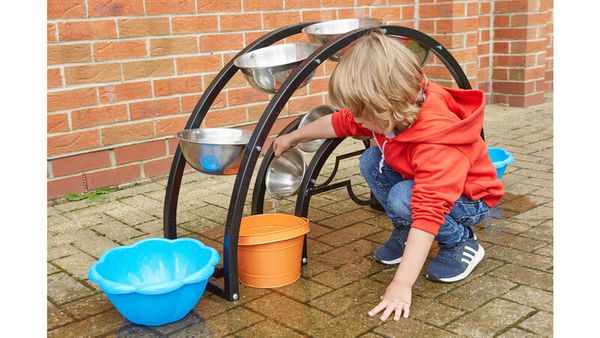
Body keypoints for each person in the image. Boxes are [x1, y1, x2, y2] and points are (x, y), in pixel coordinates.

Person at [272, 30, 504, 322]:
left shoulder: (438, 140)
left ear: (389, 105)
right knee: (371, 159)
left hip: (471, 199)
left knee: (404, 196)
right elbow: (338, 122)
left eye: (360, 113)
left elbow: (429, 209)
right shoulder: (389, 112)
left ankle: (460, 242)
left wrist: (401, 285)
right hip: (427, 184)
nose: (355, 119)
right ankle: (403, 230)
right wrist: (293, 137)